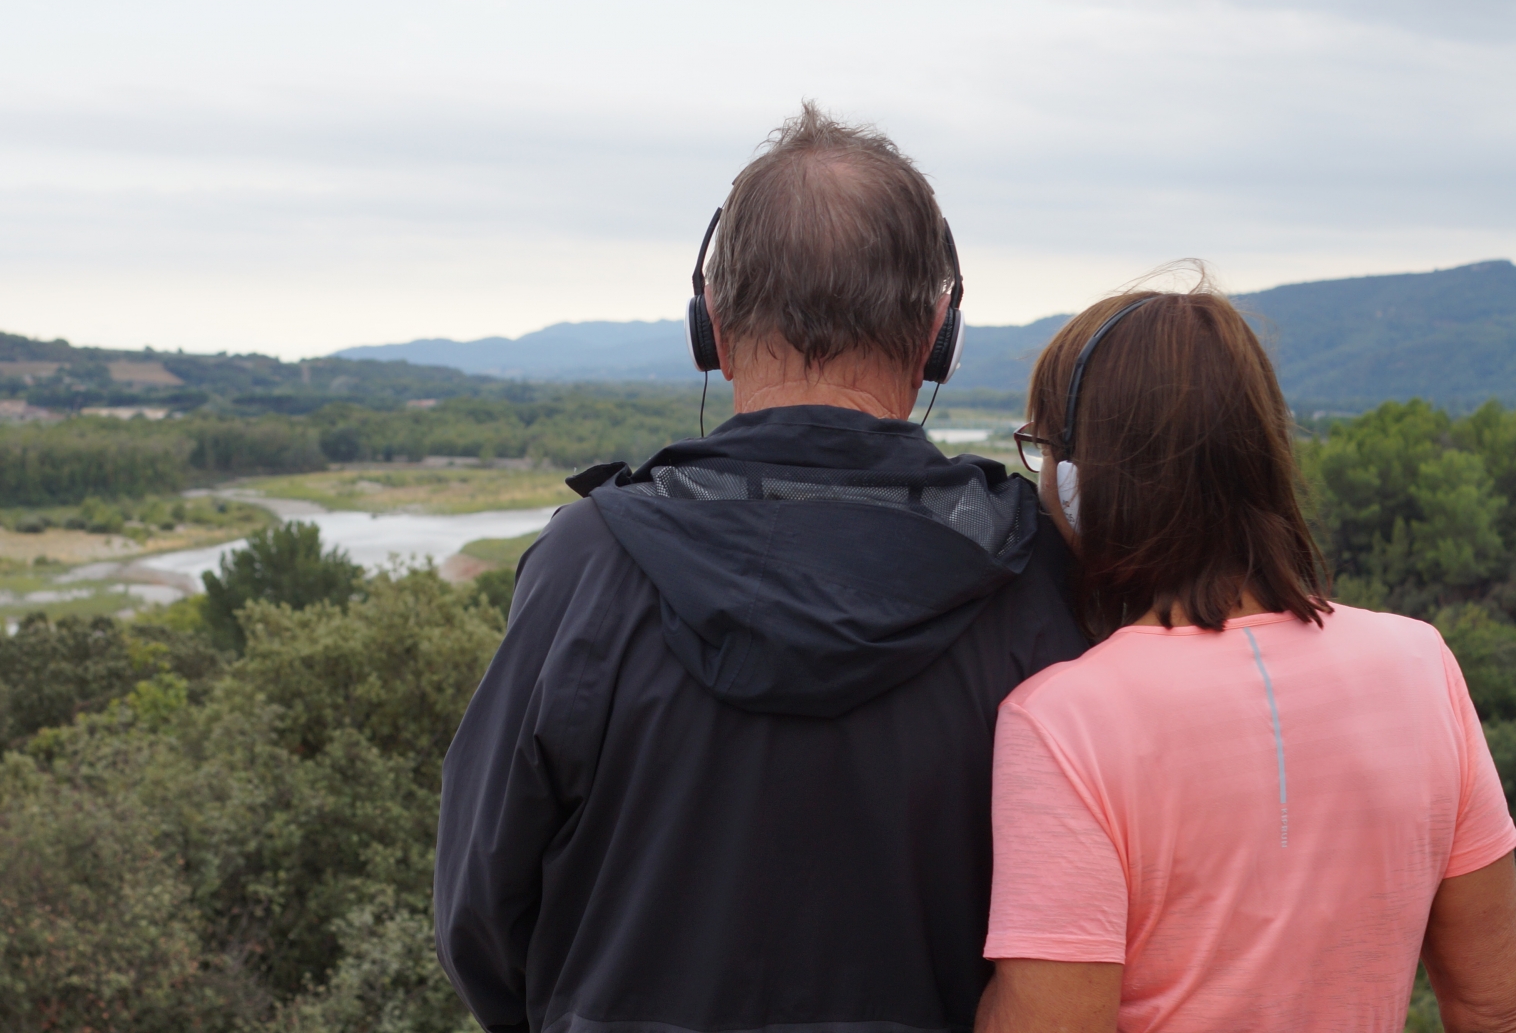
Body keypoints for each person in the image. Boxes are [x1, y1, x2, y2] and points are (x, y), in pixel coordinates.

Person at [433, 103, 1092, 1033]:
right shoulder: (1037, 576)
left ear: (712, 321)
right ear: (937, 332)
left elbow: (479, 916)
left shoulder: (588, 567)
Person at [977, 284, 1516, 1032]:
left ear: (1083, 477)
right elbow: (1493, 1003)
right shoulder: (1422, 662)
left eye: (1045, 450)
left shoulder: (1061, 722)